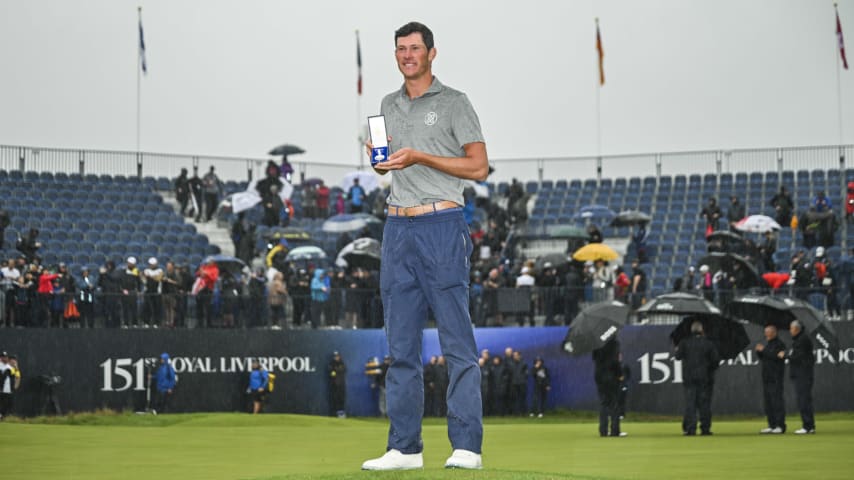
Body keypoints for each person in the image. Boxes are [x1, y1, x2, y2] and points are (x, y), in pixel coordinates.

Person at [362, 21, 488, 472]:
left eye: (415, 48)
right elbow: (381, 166)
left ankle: (467, 446)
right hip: (397, 228)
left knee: (457, 342)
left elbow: (479, 167)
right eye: (400, 49)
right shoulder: (386, 105)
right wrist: (381, 161)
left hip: (442, 223)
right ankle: (405, 448)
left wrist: (420, 155)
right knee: (400, 347)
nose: (407, 55)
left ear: (432, 53)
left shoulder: (455, 103)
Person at [674, 321, 720, 436]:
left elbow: (678, 357)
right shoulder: (708, 343)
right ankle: (705, 428)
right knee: (704, 404)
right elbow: (716, 361)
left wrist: (677, 349)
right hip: (704, 377)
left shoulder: (684, 342)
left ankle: (691, 428)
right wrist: (708, 369)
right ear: (702, 330)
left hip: (689, 377)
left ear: (691, 330)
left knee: (691, 403)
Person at [755, 325, 787, 434]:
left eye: (768, 332)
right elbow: (765, 358)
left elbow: (776, 356)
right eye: (765, 332)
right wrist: (759, 352)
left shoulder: (779, 344)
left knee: (777, 401)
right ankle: (771, 424)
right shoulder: (768, 344)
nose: (766, 334)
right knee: (768, 402)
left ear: (774, 333)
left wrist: (763, 350)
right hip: (767, 377)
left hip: (776, 377)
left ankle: (780, 425)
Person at [786, 320, 816, 434]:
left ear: (796, 329)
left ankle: (808, 426)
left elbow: (798, 357)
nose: (790, 331)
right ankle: (809, 426)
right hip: (801, 374)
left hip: (803, 374)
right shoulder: (799, 340)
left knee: (804, 400)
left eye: (791, 329)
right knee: (803, 400)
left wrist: (786, 356)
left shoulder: (802, 340)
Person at [592, 339, 625, 437]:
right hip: (611, 377)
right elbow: (615, 362)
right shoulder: (613, 343)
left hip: (599, 377)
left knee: (604, 403)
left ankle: (603, 430)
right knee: (614, 404)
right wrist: (620, 374)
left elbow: (595, 359)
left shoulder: (596, 343)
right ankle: (615, 430)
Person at [328, 351, 347, 418]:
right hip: (334, 385)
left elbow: (344, 370)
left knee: (341, 399)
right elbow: (331, 373)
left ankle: (341, 413)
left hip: (341, 385)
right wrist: (335, 372)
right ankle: (334, 413)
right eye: (335, 356)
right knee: (334, 399)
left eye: (337, 356)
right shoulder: (331, 364)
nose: (336, 357)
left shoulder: (342, 363)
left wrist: (336, 371)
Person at [0, 351, 12, 419]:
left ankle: (2, 417)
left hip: (7, 389)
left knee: (5, 404)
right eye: (3, 357)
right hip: (1, 389)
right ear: (0, 358)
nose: (5, 358)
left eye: (6, 357)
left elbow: (14, 375)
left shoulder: (9, 366)